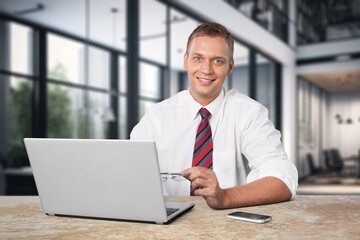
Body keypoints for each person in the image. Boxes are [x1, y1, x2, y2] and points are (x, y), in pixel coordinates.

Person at [130, 22, 298, 209]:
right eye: (198, 58)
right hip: (168, 225)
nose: (206, 70)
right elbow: (128, 171)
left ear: (230, 66)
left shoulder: (249, 113)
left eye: (217, 60)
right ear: (186, 61)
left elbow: (283, 179)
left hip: (229, 224)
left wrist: (224, 197)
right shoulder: (157, 116)